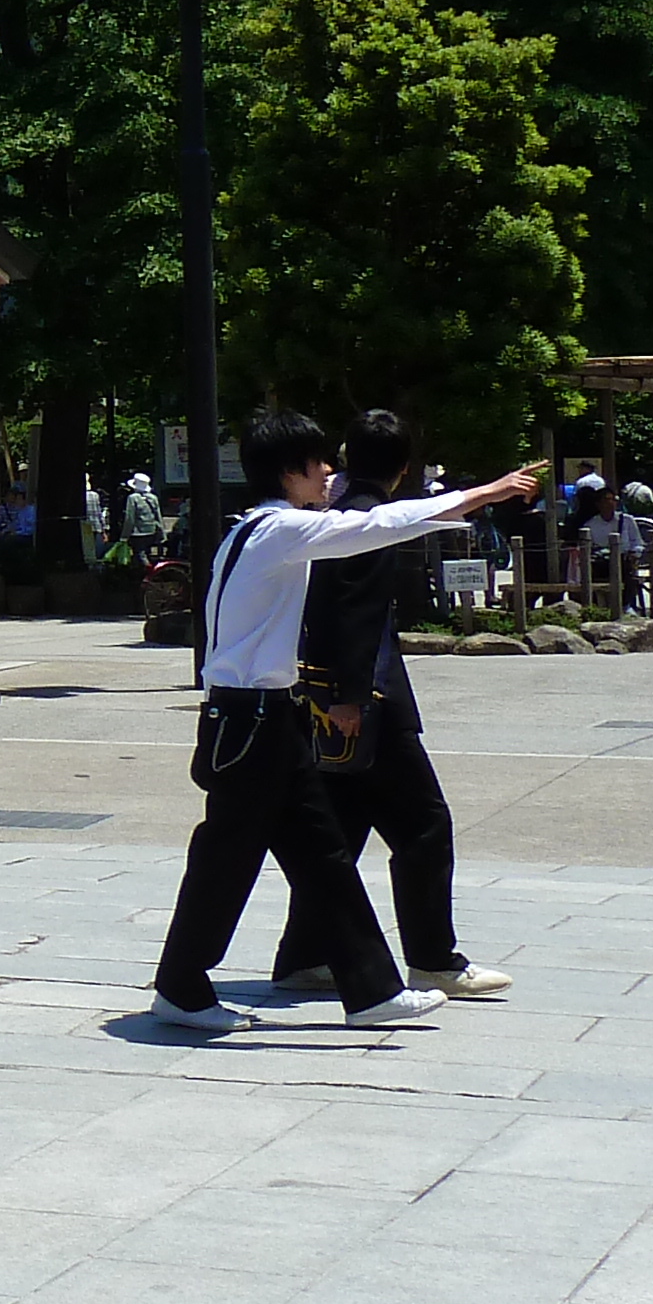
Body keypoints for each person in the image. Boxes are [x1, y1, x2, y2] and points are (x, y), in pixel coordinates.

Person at [151, 410, 540, 1034]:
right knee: (229, 859)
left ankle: (370, 990)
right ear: (291, 472)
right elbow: (378, 525)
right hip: (252, 722)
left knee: (322, 856)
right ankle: (180, 988)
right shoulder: (280, 529)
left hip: (260, 718)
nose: (329, 473)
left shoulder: (249, 529)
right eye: (318, 463)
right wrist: (483, 494)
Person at [265, 412, 506, 1004]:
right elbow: (357, 611)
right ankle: (432, 958)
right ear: (403, 468)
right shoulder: (371, 521)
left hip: (324, 696)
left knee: (341, 833)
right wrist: (352, 697)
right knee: (425, 825)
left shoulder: (330, 512)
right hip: (369, 700)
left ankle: (305, 954)